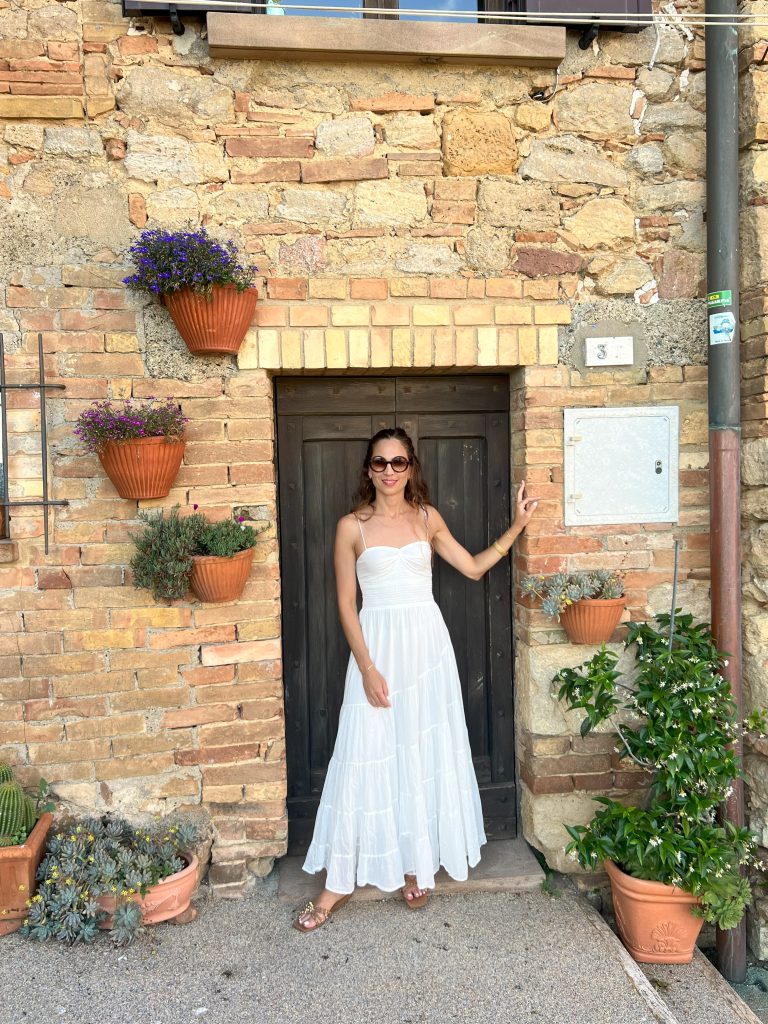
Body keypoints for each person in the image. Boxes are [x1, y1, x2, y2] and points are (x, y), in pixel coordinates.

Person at [293, 427, 538, 932]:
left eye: (398, 462)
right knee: (366, 747)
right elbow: (346, 605)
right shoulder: (351, 527)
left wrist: (516, 527)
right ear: (368, 470)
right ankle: (337, 882)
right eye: (380, 463)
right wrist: (367, 667)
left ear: (411, 468)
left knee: (419, 748)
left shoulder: (428, 518)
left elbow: (472, 568)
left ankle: (413, 863)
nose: (389, 471)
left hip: (426, 649)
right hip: (378, 650)